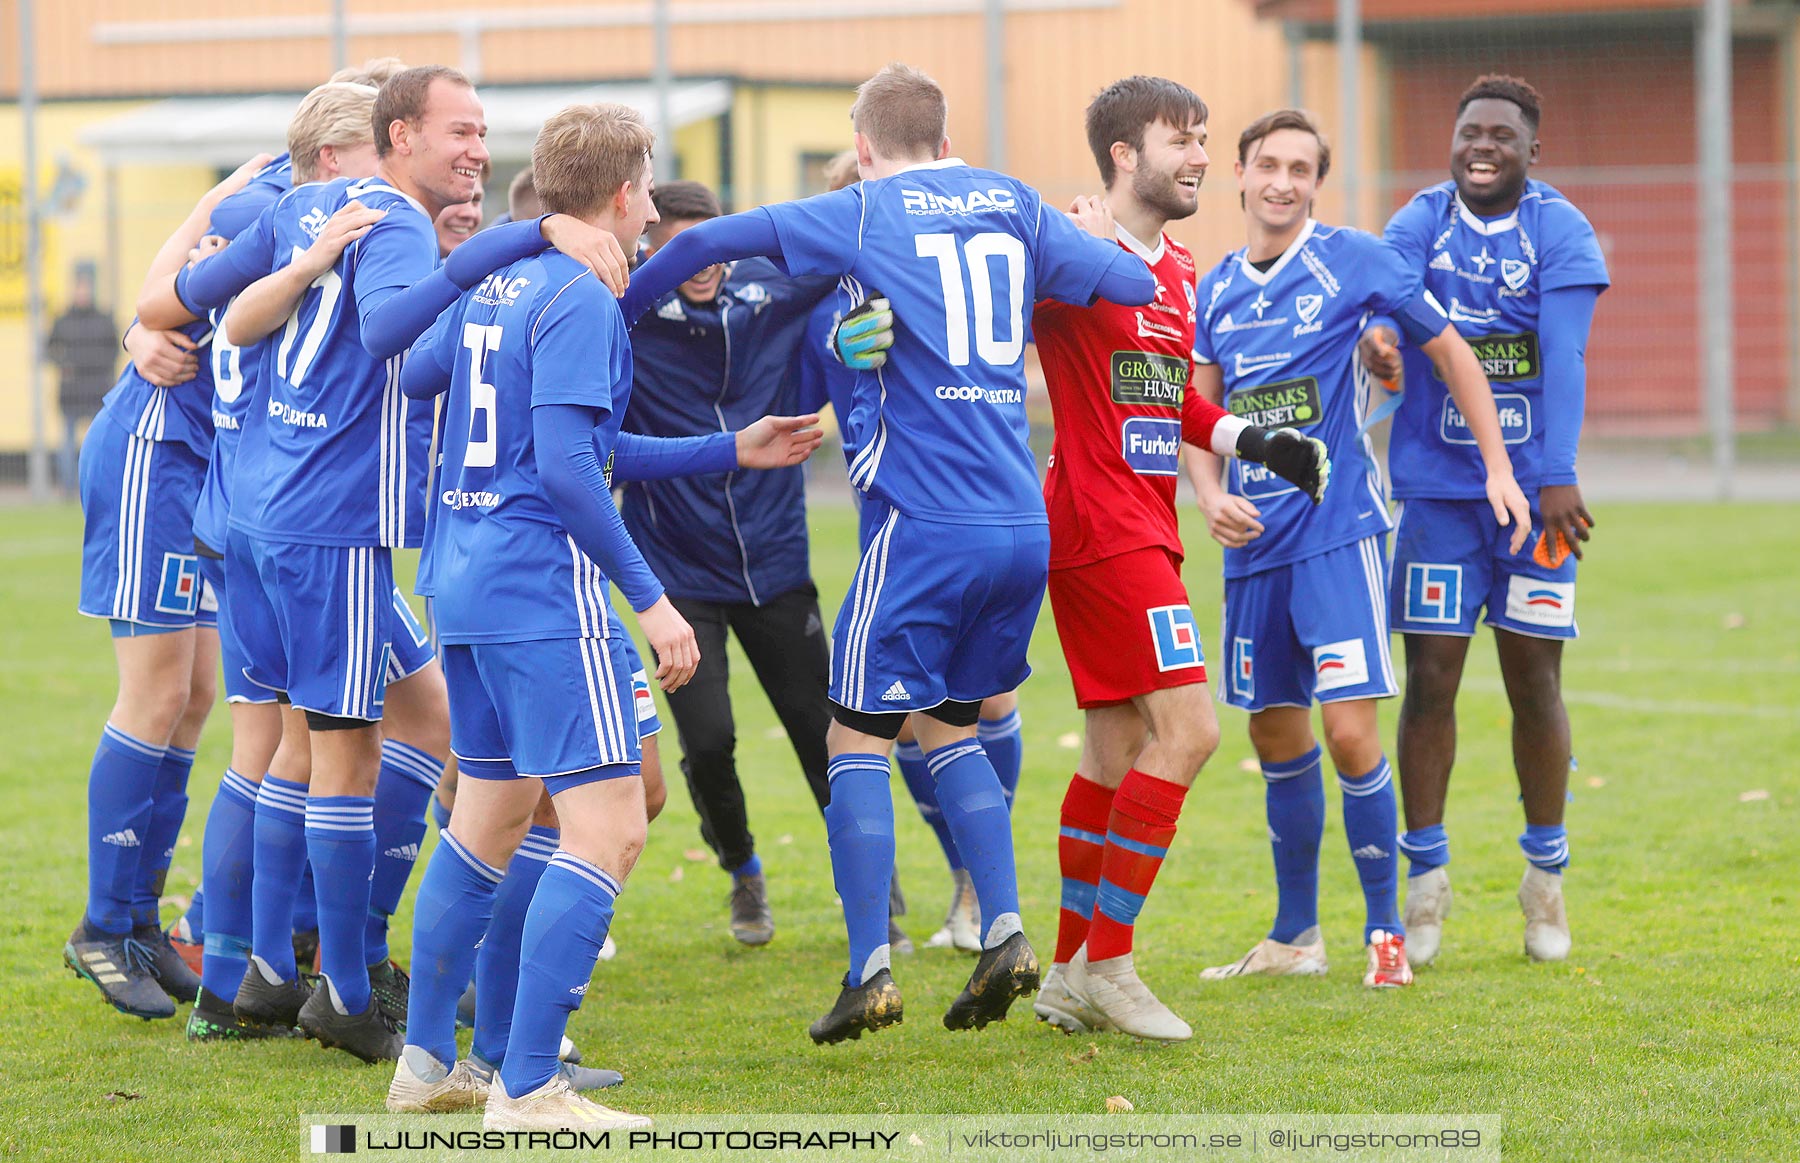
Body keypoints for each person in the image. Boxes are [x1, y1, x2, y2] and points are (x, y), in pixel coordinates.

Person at [619, 62, 1160, 1043]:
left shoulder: (866, 208)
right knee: (951, 722)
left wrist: (614, 312)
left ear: (864, 147)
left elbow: (700, 241)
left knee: (855, 739)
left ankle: (870, 966)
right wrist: (1079, 237)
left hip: (925, 524)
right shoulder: (1012, 202)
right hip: (1019, 523)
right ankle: (1001, 928)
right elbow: (1128, 277)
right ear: (946, 136)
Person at [163, 64, 629, 1061]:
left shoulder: (310, 204)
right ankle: (338, 983)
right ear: (394, 136)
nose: (475, 151)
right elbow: (385, 336)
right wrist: (532, 233)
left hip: (255, 510)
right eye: (459, 131)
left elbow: (197, 298)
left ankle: (258, 966)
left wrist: (172, 304)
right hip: (328, 523)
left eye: (483, 132)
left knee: (333, 735)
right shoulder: (398, 224)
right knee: (339, 753)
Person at [383, 101, 822, 1130]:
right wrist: (655, 600)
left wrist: (730, 446)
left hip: (461, 573)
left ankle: (429, 1062)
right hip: (539, 583)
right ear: (628, 194)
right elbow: (572, 469)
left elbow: (438, 382)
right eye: (647, 195)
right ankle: (532, 1085)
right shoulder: (579, 294)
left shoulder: (501, 282)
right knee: (613, 823)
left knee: (488, 814)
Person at [1188, 109, 1530, 990]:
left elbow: (1448, 348)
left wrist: (1497, 464)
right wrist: (1210, 494)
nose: (1283, 182)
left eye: (1301, 169)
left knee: (1347, 731)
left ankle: (1384, 932)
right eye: (1269, 164)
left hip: (1339, 534)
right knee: (1273, 733)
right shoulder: (1215, 287)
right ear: (1240, 172)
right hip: (1252, 544)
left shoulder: (1352, 259)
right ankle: (1296, 934)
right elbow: (1199, 406)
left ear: (1315, 183)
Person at [1027, 78, 1328, 1040]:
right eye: (1181, 141)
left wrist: (1255, 441)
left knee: (1116, 748)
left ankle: (1069, 971)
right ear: (1125, 153)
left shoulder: (1181, 266)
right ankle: (1111, 961)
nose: (1201, 156)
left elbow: (1171, 400)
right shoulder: (1071, 251)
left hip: (1143, 524)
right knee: (1192, 730)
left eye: (1202, 139)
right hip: (1098, 526)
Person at [1358, 75, 1610, 965]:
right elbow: (1379, 319)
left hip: (1536, 499)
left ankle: (1545, 882)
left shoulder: (1560, 231)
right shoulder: (1419, 225)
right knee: (1430, 678)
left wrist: (1557, 473)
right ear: (1453, 139)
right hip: (1436, 494)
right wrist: (1380, 342)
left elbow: (1568, 355)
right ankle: (1425, 886)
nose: (1483, 146)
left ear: (1530, 151)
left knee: (1534, 681)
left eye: (1502, 134)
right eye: (1471, 131)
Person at [63, 154, 274, 1024]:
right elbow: (173, 278)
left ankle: (141, 921)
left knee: (192, 697)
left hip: (210, 473)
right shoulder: (269, 195)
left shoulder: (369, 219)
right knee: (154, 693)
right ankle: (104, 924)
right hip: (158, 453)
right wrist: (137, 331)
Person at [620, 178, 847, 947]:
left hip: (779, 561)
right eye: (682, 244)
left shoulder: (768, 291)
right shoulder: (633, 318)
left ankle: (864, 877)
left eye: (711, 241)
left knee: (826, 731)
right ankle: (743, 868)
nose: (702, 260)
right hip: (680, 579)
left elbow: (847, 261)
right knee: (709, 739)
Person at [793, 150, 1009, 957]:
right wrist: (835, 350)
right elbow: (814, 374)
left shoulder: (945, 274)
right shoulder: (830, 304)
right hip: (924, 526)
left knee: (954, 716)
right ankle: (984, 901)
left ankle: (945, 917)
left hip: (939, 528)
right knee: (930, 719)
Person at [46, 265, 117, 495]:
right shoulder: (63, 320)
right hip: (71, 393)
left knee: (99, 441)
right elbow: (50, 349)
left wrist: (104, 370)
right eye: (79, 288)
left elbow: (115, 348)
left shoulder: (103, 319)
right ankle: (68, 487)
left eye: (86, 288)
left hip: (98, 390)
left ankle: (100, 483)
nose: (83, 293)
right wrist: (63, 364)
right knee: (67, 442)